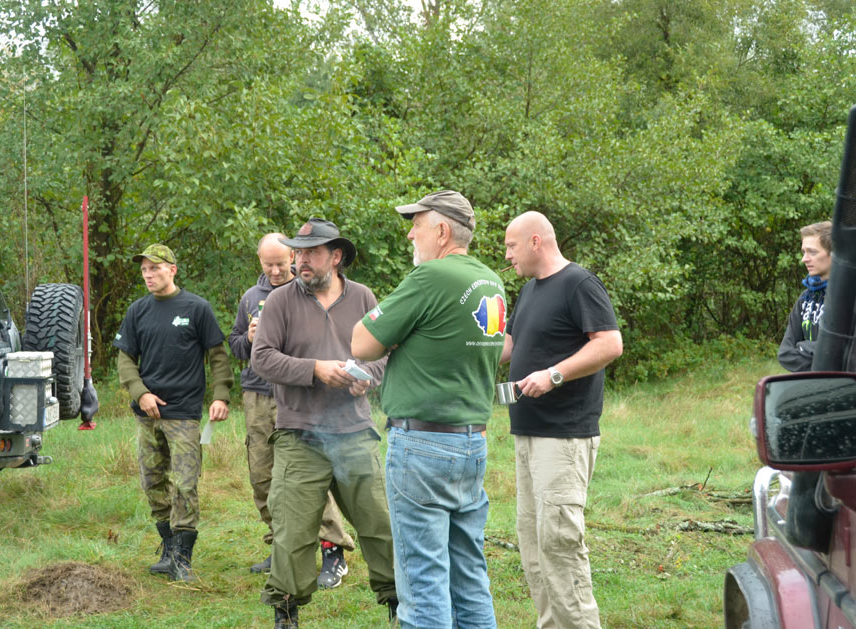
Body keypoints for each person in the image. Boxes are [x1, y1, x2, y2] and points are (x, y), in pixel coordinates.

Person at [352, 190, 506, 629]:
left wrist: (397, 338)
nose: (410, 235)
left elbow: (361, 343)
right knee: (469, 578)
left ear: (441, 231)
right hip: (471, 443)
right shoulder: (491, 282)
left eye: (416, 225)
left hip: (421, 445)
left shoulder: (431, 277)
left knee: (422, 587)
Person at [250, 218, 397, 628]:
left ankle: (398, 603)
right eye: (298, 252)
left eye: (311, 252)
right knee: (293, 532)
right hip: (299, 434)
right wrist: (315, 369)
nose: (301, 260)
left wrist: (367, 378)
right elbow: (262, 358)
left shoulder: (363, 297)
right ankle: (286, 611)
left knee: (380, 524)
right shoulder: (280, 301)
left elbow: (385, 352)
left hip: (354, 432)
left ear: (336, 256)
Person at [500, 212, 623, 629]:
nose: (507, 255)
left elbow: (610, 343)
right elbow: (509, 345)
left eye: (511, 246)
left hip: (563, 436)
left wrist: (553, 375)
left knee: (560, 545)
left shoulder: (579, 283)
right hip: (527, 432)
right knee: (534, 547)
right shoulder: (529, 290)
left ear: (536, 241)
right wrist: (458, 346)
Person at [228, 233, 356, 585]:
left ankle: (332, 550)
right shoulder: (250, 298)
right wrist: (250, 338)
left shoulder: (312, 291)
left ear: (293, 259)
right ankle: (282, 546)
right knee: (263, 475)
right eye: (267, 264)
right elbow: (235, 345)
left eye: (281, 264)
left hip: (302, 397)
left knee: (311, 475)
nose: (274, 271)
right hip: (258, 397)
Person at [114, 244, 234, 583]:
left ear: (172, 269)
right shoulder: (137, 311)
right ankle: (168, 549)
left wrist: (221, 395)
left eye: (155, 268)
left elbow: (218, 357)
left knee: (185, 482)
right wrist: (141, 393)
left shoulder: (197, 308)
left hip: (183, 414)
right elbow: (125, 359)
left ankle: (183, 558)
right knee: (152, 481)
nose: (148, 275)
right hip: (147, 414)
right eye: (144, 270)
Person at [778, 221, 832, 372]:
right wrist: (820, 355)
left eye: (812, 252)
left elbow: (846, 353)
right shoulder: (806, 298)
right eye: (803, 252)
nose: (804, 259)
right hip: (809, 384)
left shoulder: (849, 298)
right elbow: (785, 354)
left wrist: (802, 346)